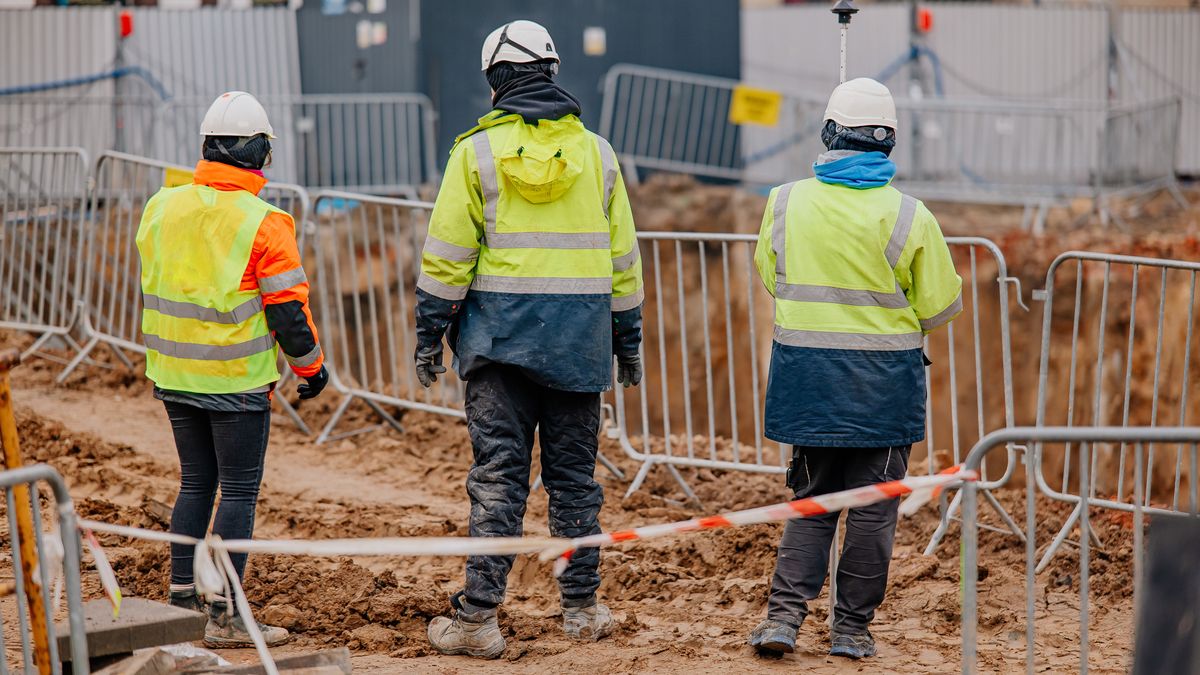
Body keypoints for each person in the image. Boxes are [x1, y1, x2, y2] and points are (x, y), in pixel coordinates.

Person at [413, 19, 644, 659]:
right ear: (552, 71)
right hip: (578, 342)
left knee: (498, 479)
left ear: (495, 80)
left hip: (497, 343)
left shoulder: (474, 153)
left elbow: (447, 255)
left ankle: (477, 620)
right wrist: (628, 340)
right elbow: (624, 260)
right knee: (574, 481)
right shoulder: (598, 154)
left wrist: (429, 333)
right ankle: (582, 610)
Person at [747, 78, 962, 660]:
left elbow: (773, 276)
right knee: (870, 515)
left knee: (812, 502)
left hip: (809, 382)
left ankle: (783, 622)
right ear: (889, 142)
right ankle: (850, 631)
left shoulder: (785, 201)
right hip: (882, 389)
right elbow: (940, 304)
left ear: (829, 132)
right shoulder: (910, 216)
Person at [135, 91, 329, 648]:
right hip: (235, 383)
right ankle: (225, 615)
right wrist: (311, 369)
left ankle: (179, 603)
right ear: (261, 154)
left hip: (173, 373)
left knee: (195, 482)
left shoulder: (161, 205)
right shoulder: (265, 223)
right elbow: (289, 313)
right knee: (239, 493)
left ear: (207, 147)